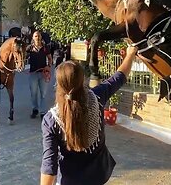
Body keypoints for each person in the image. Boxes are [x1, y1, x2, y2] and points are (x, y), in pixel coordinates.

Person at [40, 46, 138, 185]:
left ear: (58, 85)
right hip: (99, 174)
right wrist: (130, 54)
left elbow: (49, 165)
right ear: (83, 81)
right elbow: (119, 77)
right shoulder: (96, 97)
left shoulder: (51, 120)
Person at [27, 30, 53, 119]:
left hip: (43, 73)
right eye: (35, 36)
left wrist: (49, 66)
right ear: (33, 38)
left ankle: (43, 112)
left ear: (41, 37)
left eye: (38, 36)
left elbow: (50, 58)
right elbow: (22, 57)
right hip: (33, 74)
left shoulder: (45, 48)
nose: (37, 38)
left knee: (43, 94)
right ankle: (35, 109)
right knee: (33, 93)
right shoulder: (29, 48)